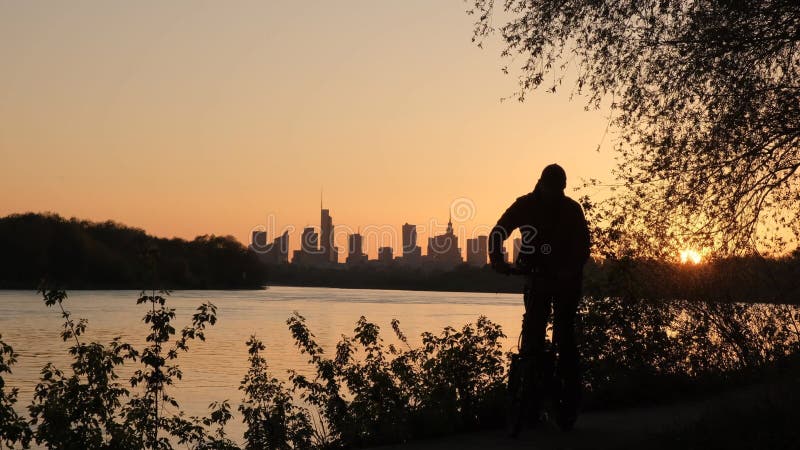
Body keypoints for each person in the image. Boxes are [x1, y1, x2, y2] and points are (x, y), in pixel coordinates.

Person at [489, 163, 590, 432]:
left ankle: (568, 398)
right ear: (541, 184)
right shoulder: (524, 205)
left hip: (567, 281)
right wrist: (497, 260)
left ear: (563, 188)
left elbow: (582, 247)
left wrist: (569, 270)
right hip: (536, 277)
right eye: (551, 189)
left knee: (564, 335)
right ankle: (529, 400)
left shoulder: (571, 209)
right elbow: (499, 231)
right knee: (532, 331)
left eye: (559, 190)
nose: (555, 194)